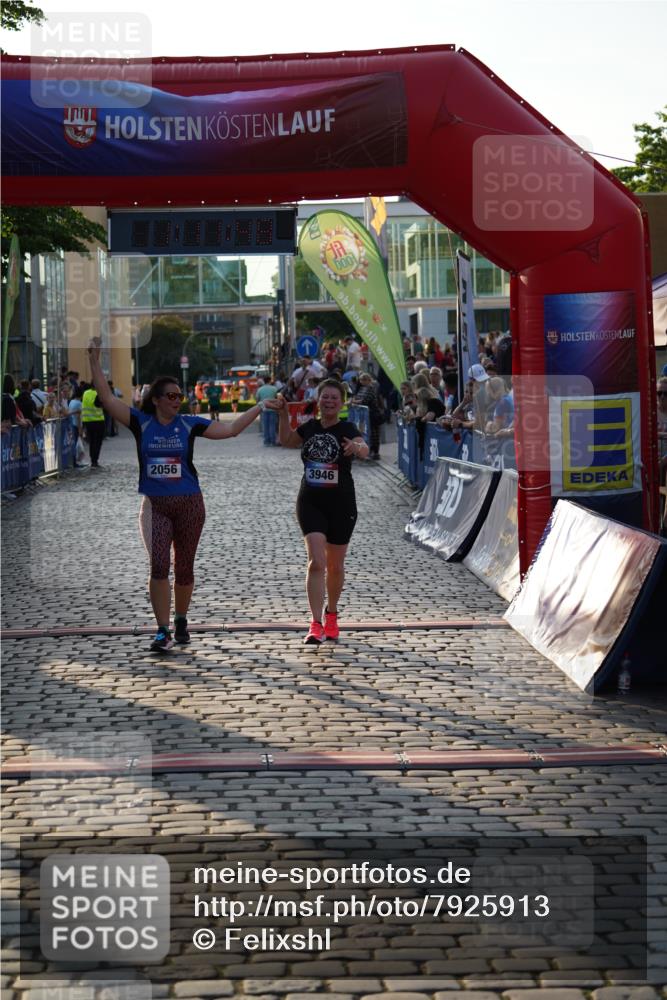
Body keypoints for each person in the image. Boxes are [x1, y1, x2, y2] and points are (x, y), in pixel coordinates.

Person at [87, 338, 267, 652]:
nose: (177, 400)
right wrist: (94, 360)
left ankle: (181, 619)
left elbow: (232, 430)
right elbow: (105, 397)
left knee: (184, 568)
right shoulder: (140, 424)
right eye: (171, 396)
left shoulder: (189, 424)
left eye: (179, 396)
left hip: (190, 505)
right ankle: (162, 629)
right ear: (155, 400)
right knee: (158, 566)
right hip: (155, 506)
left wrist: (260, 406)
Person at [270, 379, 369, 644]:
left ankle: (332, 614)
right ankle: (315, 623)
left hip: (341, 504)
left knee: (335, 566)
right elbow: (287, 440)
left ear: (342, 402)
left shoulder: (347, 428)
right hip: (311, 502)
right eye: (325, 397)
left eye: (334, 398)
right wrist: (282, 415)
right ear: (319, 398)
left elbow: (364, 448)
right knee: (317, 562)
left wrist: (356, 448)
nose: (329, 402)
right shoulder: (310, 427)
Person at [352, 372, 382, 460]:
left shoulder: (371, 389)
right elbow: (356, 398)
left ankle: (375, 451)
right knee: (364, 433)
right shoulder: (361, 389)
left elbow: (365, 400)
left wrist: (355, 402)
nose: (362, 381)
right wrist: (355, 401)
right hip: (363, 416)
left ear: (369, 380)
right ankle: (366, 450)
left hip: (372, 415)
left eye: (365, 380)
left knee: (374, 433)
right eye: (361, 380)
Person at [81, 379, 106, 468]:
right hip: (98, 420)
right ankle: (95, 460)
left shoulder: (85, 393)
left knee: (91, 441)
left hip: (87, 421)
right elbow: (101, 405)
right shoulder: (98, 394)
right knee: (98, 442)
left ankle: (93, 460)